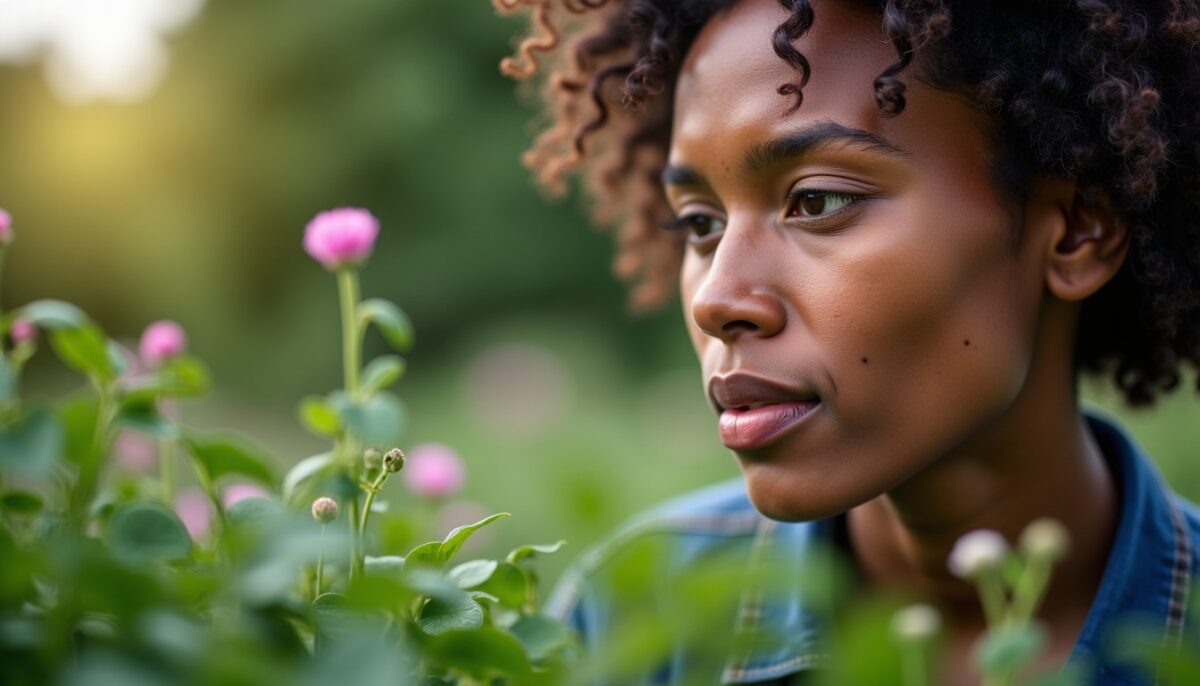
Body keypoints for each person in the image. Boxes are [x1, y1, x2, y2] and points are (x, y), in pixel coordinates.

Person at [493, 0, 1200, 683]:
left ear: (1078, 231)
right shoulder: (632, 621)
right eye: (700, 224)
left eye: (818, 201)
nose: (717, 300)